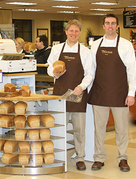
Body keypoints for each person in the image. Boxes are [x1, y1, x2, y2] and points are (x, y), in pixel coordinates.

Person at [88, 13, 136, 172]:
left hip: (120, 94)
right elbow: (91, 70)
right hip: (99, 93)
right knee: (99, 128)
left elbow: (132, 70)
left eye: (113, 23)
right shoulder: (95, 45)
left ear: (117, 26)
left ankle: (122, 157)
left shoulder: (125, 45)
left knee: (122, 128)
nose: (110, 26)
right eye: (107, 23)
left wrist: (132, 93)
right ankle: (99, 157)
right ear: (103, 26)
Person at [47, 19, 94, 171]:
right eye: (71, 31)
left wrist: (81, 87)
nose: (73, 33)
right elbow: (49, 67)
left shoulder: (85, 51)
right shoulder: (56, 49)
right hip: (60, 94)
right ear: (66, 32)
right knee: (58, 127)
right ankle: (57, 156)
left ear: (79, 33)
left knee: (79, 129)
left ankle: (80, 157)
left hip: (77, 95)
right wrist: (54, 73)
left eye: (76, 31)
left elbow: (90, 73)